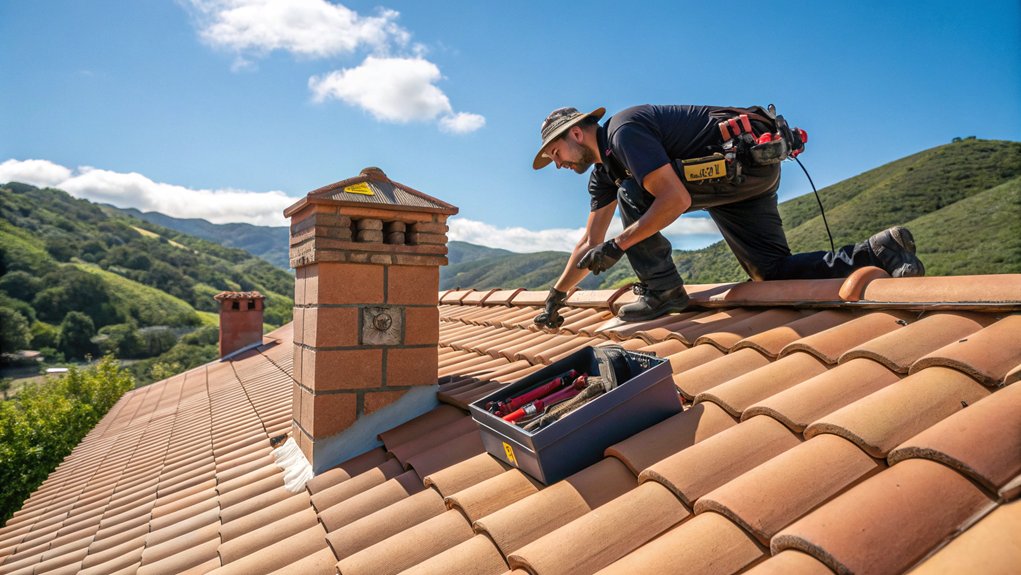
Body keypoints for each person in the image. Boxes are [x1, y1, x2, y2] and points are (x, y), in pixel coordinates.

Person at [531, 105, 925, 327]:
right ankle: (880, 252)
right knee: (771, 273)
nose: (557, 163)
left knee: (634, 192)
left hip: (734, 169)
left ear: (576, 134)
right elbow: (588, 244)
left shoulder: (624, 133)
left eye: (556, 153)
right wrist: (557, 297)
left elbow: (674, 199)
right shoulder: (605, 172)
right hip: (744, 179)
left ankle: (662, 291)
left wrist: (619, 245)